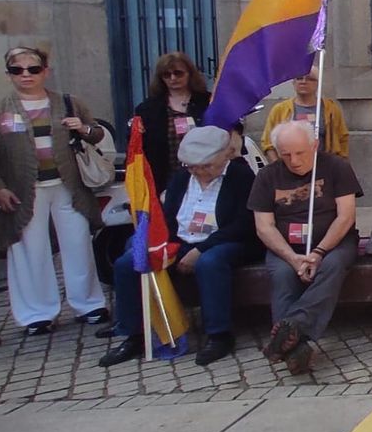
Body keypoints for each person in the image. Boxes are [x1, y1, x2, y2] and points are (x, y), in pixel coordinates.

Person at [99, 126, 261, 367]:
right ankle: (134, 334)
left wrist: (201, 249)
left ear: (224, 155)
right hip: (182, 240)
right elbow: (167, 217)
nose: (199, 172)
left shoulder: (242, 177)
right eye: (193, 167)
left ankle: (219, 335)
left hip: (225, 241)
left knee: (210, 262)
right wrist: (160, 246)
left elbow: (244, 224)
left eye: (206, 166)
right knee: (129, 262)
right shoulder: (182, 178)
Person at [0, 46, 109, 337]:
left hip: (68, 186)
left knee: (78, 242)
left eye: (33, 69)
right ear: (9, 74)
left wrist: (82, 128)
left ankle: (88, 304)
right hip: (24, 191)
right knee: (29, 250)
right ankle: (37, 314)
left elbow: (97, 133)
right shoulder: (1, 108)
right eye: (17, 70)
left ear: (45, 71)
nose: (26, 75)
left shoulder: (68, 102)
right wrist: (0, 188)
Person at [247, 119, 361, 375]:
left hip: (332, 242)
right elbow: (264, 227)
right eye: (286, 155)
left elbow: (346, 217)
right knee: (282, 274)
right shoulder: (267, 176)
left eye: (300, 153)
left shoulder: (336, 167)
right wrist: (293, 258)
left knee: (332, 265)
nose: (294, 161)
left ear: (315, 145)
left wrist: (319, 252)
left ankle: (294, 326)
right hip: (286, 246)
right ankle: (295, 347)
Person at [133, 51, 212, 192]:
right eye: (166, 75)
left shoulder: (208, 102)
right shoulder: (148, 109)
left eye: (178, 73)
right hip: (165, 179)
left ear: (190, 74)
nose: (173, 78)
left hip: (205, 175)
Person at [259, 62, 349, 161]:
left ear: (318, 84)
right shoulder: (280, 110)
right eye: (299, 78)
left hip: (324, 164)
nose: (303, 82)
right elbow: (268, 143)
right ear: (293, 83)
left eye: (310, 79)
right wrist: (279, 165)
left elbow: (342, 139)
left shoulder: (331, 109)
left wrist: (338, 164)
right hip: (290, 165)